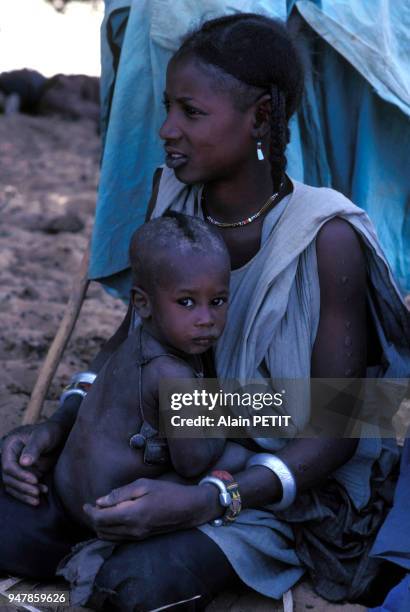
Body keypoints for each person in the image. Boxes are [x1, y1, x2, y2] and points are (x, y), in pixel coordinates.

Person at [1, 13, 409, 611]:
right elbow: (128, 344)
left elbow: (341, 422)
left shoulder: (326, 236)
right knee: (11, 523)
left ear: (261, 119)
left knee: (130, 587)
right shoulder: (170, 198)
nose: (167, 128)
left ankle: (53, 599)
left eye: (191, 113)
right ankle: (45, 599)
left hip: (273, 486)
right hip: (156, 458)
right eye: (168, 106)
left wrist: (209, 495)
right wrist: (59, 426)